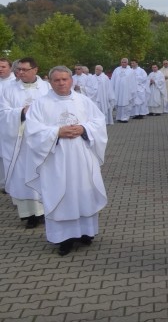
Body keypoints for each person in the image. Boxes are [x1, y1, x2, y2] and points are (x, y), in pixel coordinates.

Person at [23, 66, 108, 256]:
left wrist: (84, 129)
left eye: (65, 79)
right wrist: (57, 132)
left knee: (83, 192)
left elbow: (99, 122)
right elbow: (32, 131)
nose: (61, 83)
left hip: (81, 156)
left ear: (72, 80)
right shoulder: (40, 103)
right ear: (50, 82)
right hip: (56, 159)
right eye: (57, 80)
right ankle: (64, 238)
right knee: (61, 194)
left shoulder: (83, 100)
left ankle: (86, 232)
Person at [0, 57, 51, 228]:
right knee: (22, 175)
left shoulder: (47, 87)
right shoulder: (8, 89)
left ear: (35, 70)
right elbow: (2, 112)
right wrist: (21, 112)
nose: (20, 73)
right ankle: (29, 215)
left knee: (42, 173)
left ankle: (46, 210)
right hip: (20, 141)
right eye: (18, 69)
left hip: (41, 140)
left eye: (24, 69)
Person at [0, 57, 15, 192]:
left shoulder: (14, 84)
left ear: (10, 68)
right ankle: (2, 182)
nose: (0, 69)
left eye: (3, 66)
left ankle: (11, 183)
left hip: (10, 124)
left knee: (9, 154)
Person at [110, 58, 138, 123]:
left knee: (126, 104)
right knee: (118, 104)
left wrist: (132, 91)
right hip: (118, 90)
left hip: (126, 91)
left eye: (125, 62)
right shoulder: (116, 70)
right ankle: (119, 117)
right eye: (122, 62)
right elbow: (113, 80)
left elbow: (133, 82)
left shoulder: (131, 71)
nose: (123, 63)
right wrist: (112, 89)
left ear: (127, 63)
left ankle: (125, 118)